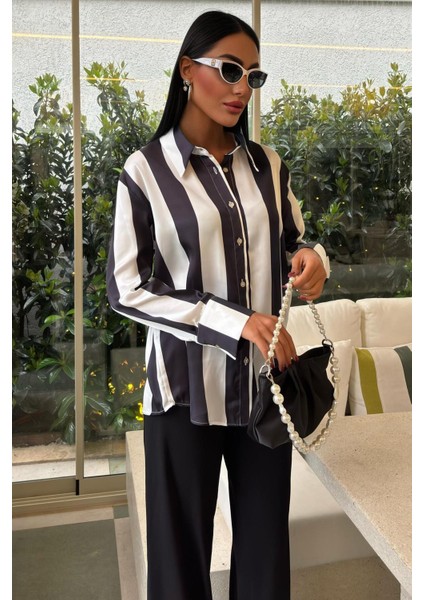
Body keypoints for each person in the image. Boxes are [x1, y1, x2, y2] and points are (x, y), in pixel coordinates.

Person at [107, 10, 329, 600]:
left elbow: (294, 242)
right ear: (187, 69)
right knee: (179, 569)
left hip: (265, 391)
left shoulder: (267, 165)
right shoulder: (145, 172)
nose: (241, 88)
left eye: (253, 76)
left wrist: (312, 260)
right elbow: (127, 288)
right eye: (229, 70)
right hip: (184, 395)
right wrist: (234, 321)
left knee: (264, 563)